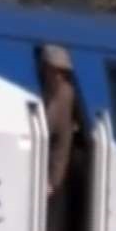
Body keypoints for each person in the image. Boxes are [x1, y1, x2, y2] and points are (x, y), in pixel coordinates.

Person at [38, 45, 79, 198]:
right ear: (44, 67)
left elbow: (63, 142)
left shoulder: (65, 95)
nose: (59, 77)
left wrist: (52, 182)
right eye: (55, 70)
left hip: (46, 168)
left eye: (63, 72)